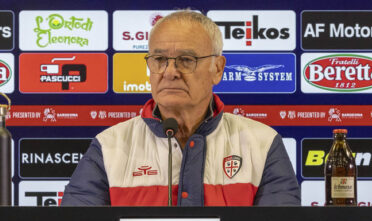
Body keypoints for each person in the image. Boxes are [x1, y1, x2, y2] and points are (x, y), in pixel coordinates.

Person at [61, 10, 300, 206]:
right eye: (159, 59)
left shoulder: (263, 143)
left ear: (217, 68)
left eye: (186, 60)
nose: (170, 72)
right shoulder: (109, 145)